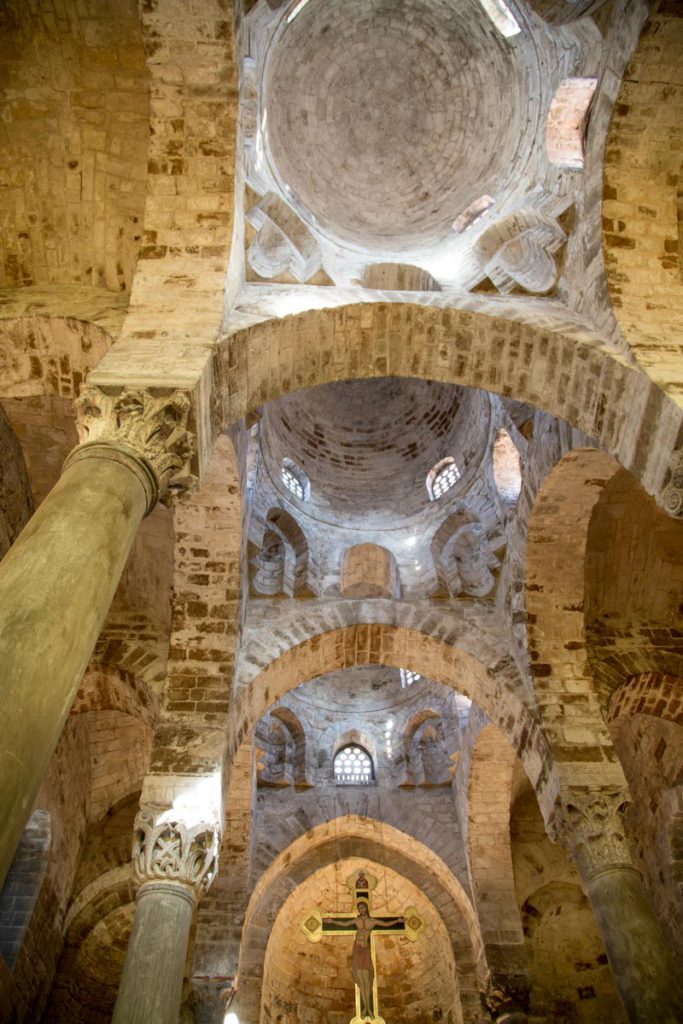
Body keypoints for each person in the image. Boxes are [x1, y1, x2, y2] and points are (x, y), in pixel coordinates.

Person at [324, 901, 403, 1020]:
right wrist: (332, 921)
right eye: (359, 908)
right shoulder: (356, 921)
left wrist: (397, 921)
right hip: (357, 951)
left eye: (363, 907)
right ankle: (366, 1008)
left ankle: (368, 1008)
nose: (361, 909)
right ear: (358, 910)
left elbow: (386, 924)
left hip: (365, 951)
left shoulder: (372, 921)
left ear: (366, 908)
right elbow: (344, 923)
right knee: (361, 983)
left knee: (367, 982)